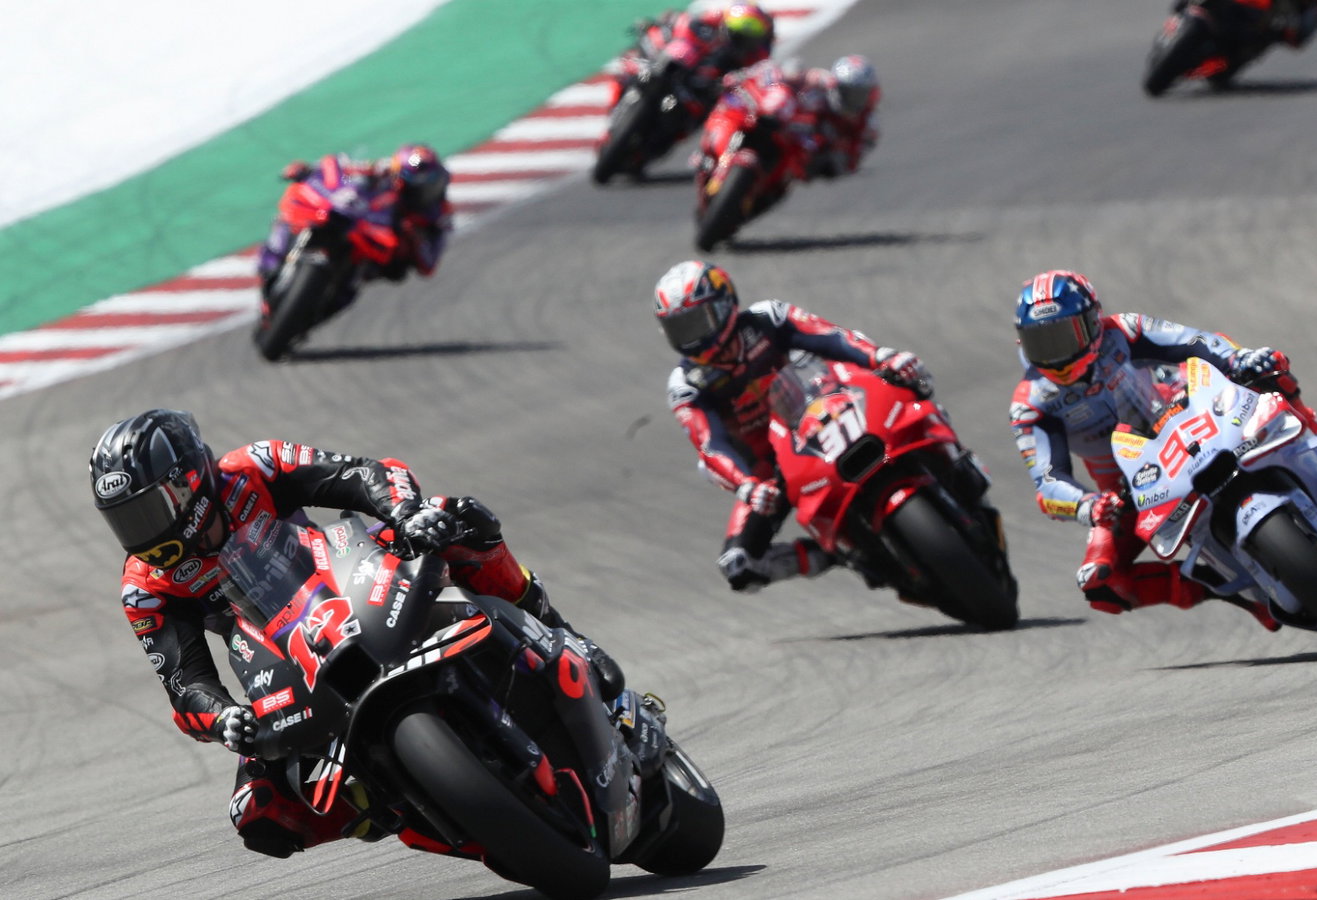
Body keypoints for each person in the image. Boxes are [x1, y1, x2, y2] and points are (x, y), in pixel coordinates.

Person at [91, 409, 622, 858]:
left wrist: (407, 512)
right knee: (258, 815)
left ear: (188, 483)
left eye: (146, 512)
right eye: (125, 522)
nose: (141, 535)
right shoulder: (146, 586)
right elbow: (184, 682)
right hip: (279, 659)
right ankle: (388, 805)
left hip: (347, 569)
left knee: (459, 520)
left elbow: (361, 475)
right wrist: (224, 717)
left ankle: (563, 634)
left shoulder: (255, 465)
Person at [1008, 270, 1317, 629]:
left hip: (1195, 415)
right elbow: (1048, 481)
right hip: (1132, 486)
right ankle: (1231, 590)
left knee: (1268, 370)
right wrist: (1088, 506)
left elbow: (1196, 342)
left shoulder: (1125, 330)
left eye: (1064, 336)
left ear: (1092, 322)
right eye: (1042, 342)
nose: (1056, 355)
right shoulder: (1032, 403)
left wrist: (1238, 360)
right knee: (1100, 582)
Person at [654, 260, 928, 591]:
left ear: (724, 305)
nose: (691, 338)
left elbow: (832, 338)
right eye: (680, 329)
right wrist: (747, 485)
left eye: (697, 322)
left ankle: (952, 460)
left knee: (910, 383)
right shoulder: (686, 384)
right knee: (740, 566)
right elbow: (710, 445)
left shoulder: (769, 318)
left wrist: (881, 356)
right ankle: (835, 554)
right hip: (770, 471)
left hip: (822, 412)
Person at [256, 143, 453, 298]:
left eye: (430, 187)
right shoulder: (382, 175)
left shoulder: (436, 216)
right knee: (297, 215)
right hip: (356, 224)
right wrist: (311, 172)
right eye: (416, 187)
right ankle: (277, 254)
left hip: (381, 257)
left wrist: (413, 237)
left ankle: (334, 293)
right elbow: (347, 175)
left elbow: (429, 265)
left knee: (368, 279)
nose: (424, 193)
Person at [607, 2, 776, 114]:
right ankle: (618, 101)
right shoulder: (712, 18)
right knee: (632, 61)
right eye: (738, 36)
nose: (741, 42)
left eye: (746, 40)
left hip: (700, 91)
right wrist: (665, 26)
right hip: (679, 60)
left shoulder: (753, 55)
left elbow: (751, 78)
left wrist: (729, 83)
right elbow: (682, 21)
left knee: (709, 112)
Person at [800, 54, 880, 180]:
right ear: (836, 86)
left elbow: (852, 161)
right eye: (849, 93)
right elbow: (791, 77)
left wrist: (838, 149)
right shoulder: (819, 82)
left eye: (860, 95)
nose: (854, 99)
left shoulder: (869, 123)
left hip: (818, 157)